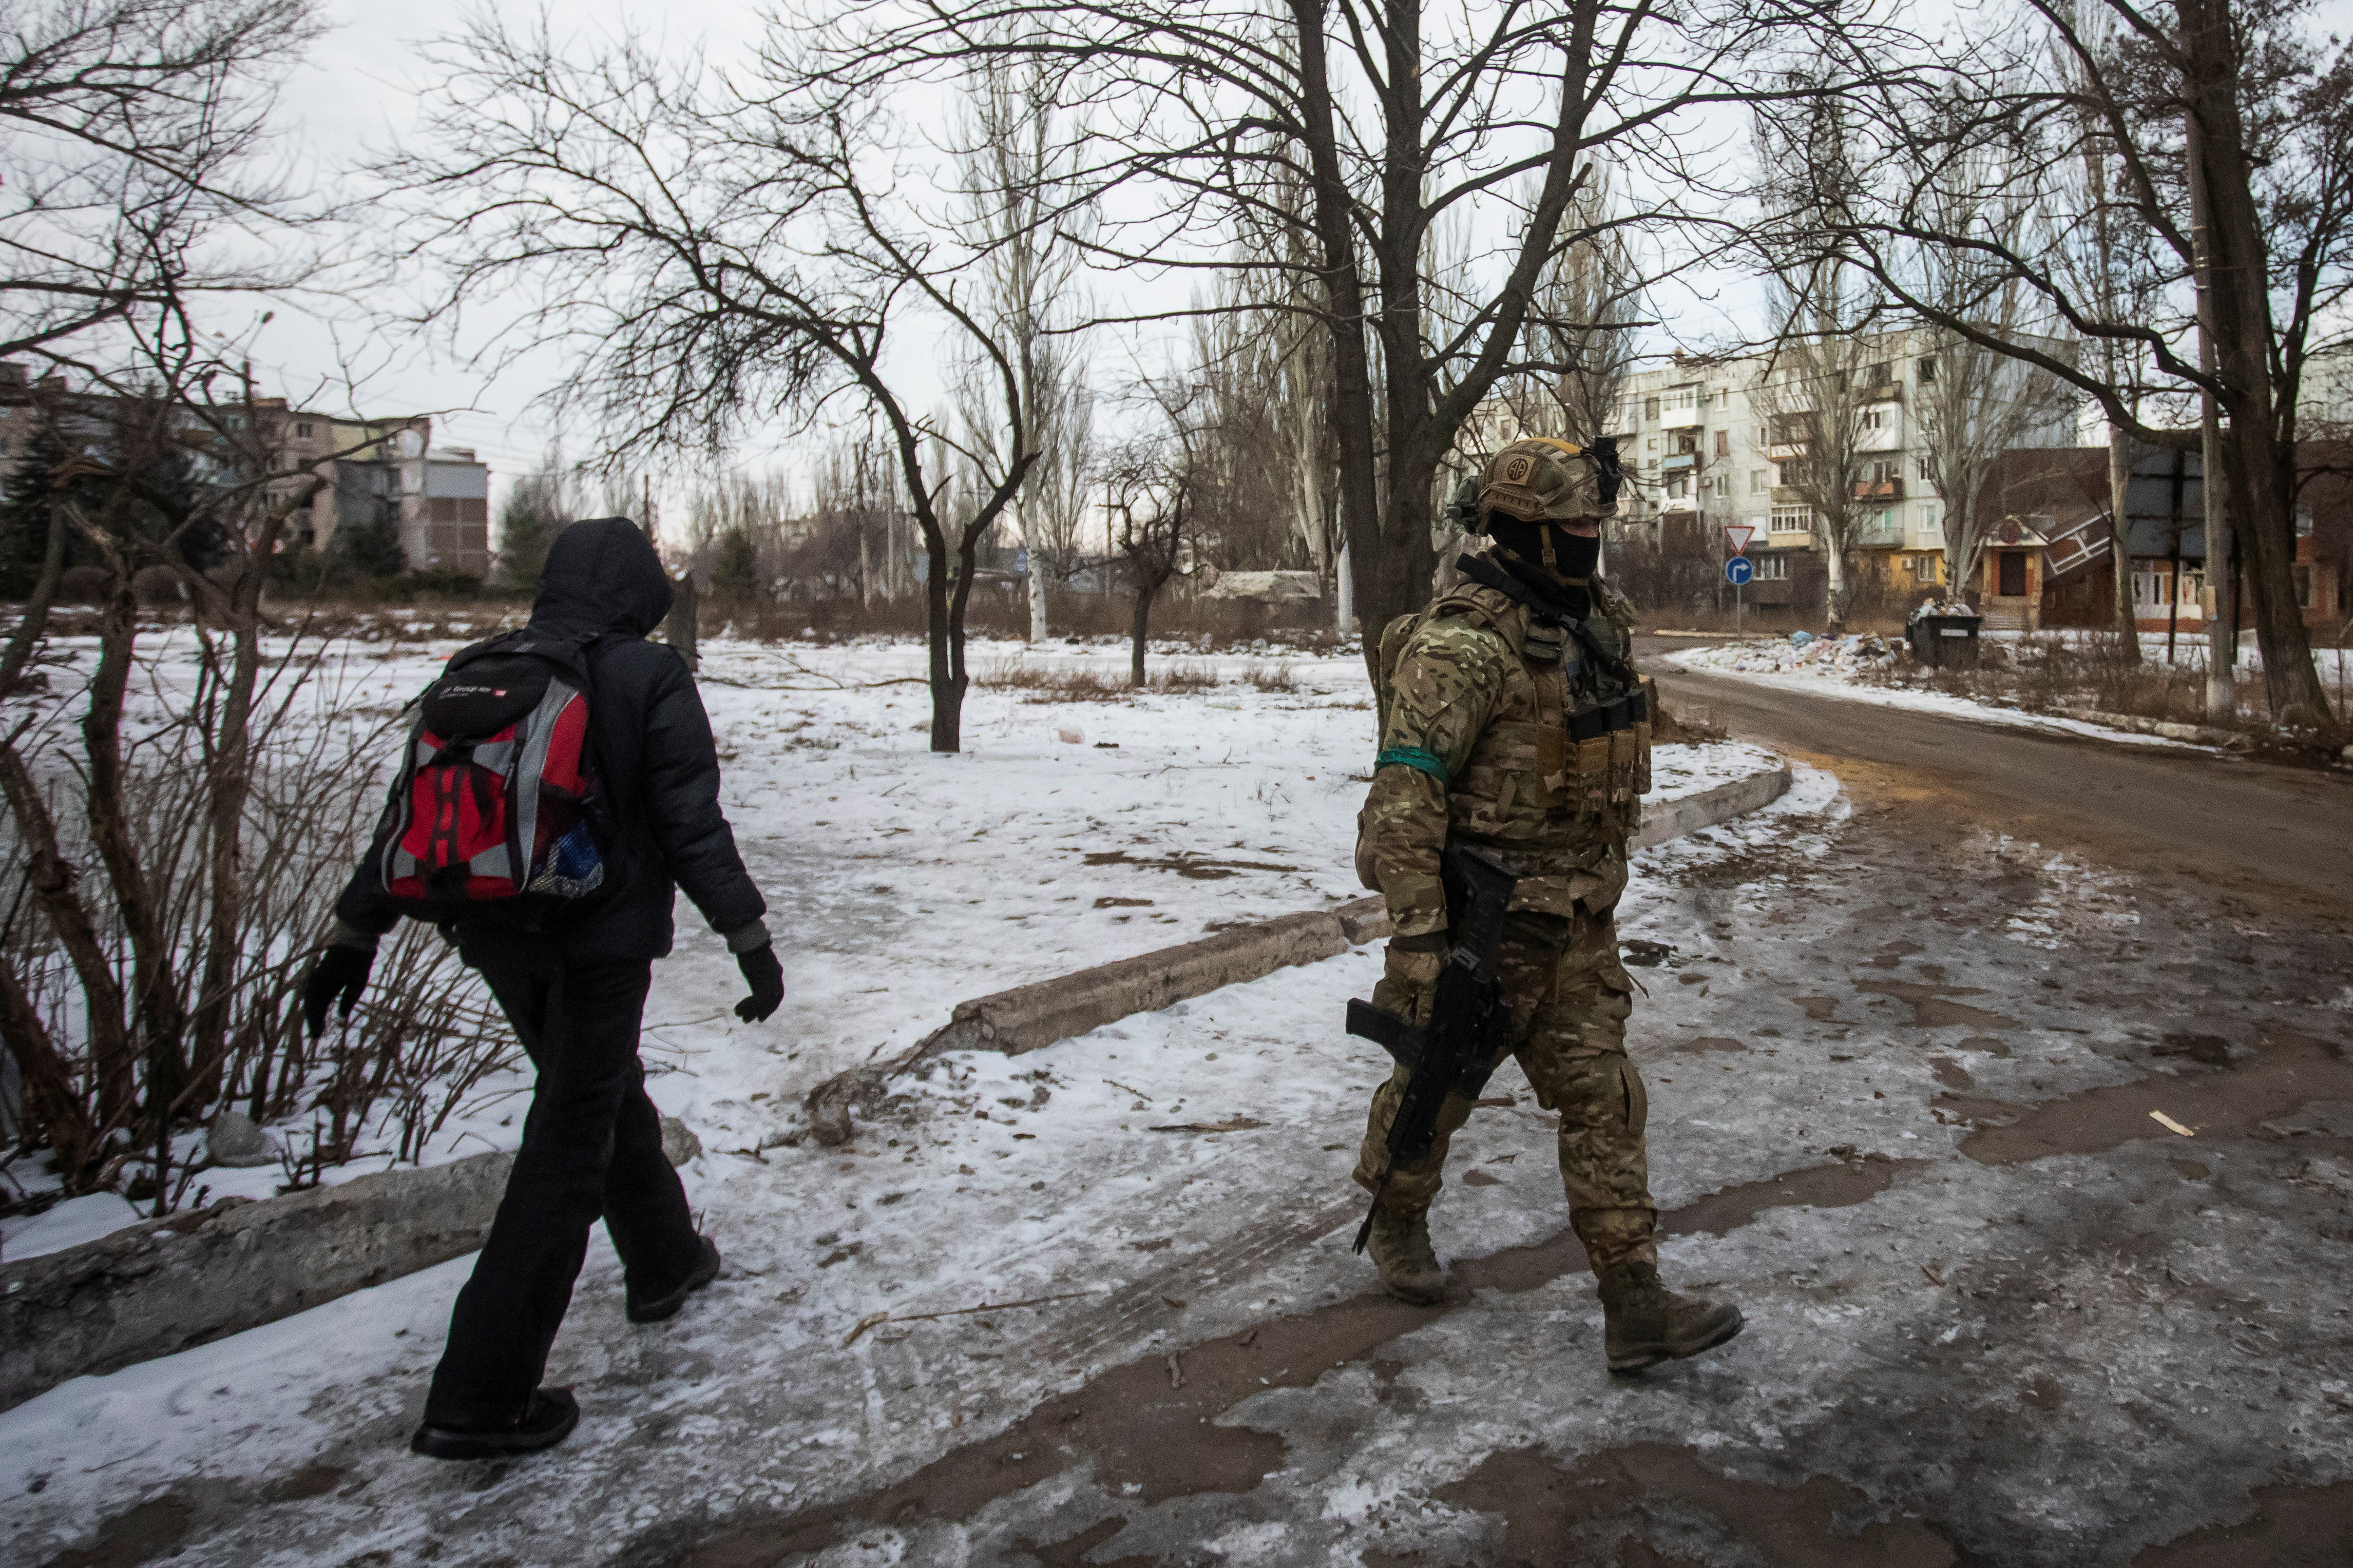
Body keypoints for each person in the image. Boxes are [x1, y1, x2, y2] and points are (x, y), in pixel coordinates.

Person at [305, 517, 785, 1459]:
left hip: (490, 932)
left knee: (593, 1091)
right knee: (569, 1136)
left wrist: (354, 931)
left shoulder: (480, 667)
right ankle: (482, 1393)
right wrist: (750, 938)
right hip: (598, 943)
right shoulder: (647, 675)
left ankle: (664, 1262)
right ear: (636, 591)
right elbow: (692, 826)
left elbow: (410, 817)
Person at [1351, 438, 1743, 1375]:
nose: (1590, 542)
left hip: (1575, 930)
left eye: (1596, 525)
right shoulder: (1462, 647)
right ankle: (1398, 1220)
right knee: (1431, 1098)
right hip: (1479, 936)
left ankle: (1634, 1302)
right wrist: (1419, 945)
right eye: (1573, 528)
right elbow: (1402, 805)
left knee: (1606, 1104)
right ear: (1523, 532)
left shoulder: (1592, 624)